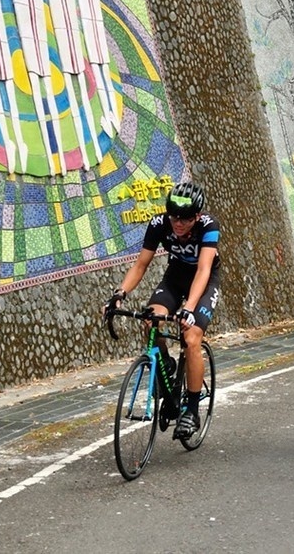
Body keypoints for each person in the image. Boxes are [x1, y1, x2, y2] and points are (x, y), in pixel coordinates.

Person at [108, 182, 219, 439]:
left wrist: (189, 308)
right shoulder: (159, 224)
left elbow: (203, 269)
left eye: (185, 219)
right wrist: (119, 293)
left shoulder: (209, 226)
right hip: (175, 276)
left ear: (197, 216)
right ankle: (166, 365)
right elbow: (141, 264)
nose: (178, 224)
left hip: (204, 279)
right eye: (174, 217)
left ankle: (191, 410)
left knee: (191, 338)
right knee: (151, 319)